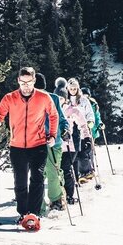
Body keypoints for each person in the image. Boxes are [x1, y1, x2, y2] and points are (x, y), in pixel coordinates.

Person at [0, 66, 58, 225]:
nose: (26, 86)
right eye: (23, 82)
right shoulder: (9, 98)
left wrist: (52, 135)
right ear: (18, 81)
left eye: (29, 82)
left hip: (39, 145)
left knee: (37, 178)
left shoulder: (43, 97)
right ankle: (23, 213)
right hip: (17, 146)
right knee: (20, 181)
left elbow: (53, 116)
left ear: (34, 81)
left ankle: (33, 214)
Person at [36, 72, 70, 214]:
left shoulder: (54, 99)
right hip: (34, 143)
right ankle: (38, 204)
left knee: (52, 172)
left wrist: (65, 130)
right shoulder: (27, 100)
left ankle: (56, 200)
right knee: (37, 174)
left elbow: (62, 119)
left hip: (53, 142)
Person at [53, 77, 85, 203]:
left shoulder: (72, 109)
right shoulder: (52, 109)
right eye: (58, 98)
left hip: (69, 146)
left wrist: (85, 138)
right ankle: (60, 195)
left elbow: (82, 124)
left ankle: (70, 195)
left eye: (62, 98)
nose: (60, 100)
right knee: (57, 172)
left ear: (66, 98)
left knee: (66, 169)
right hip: (56, 145)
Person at [65, 78, 96, 182]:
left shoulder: (83, 100)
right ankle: (76, 173)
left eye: (74, 88)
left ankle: (86, 172)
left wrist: (90, 121)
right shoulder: (66, 100)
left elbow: (90, 113)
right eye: (71, 89)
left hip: (82, 128)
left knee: (83, 151)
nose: (73, 91)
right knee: (74, 153)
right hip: (71, 129)